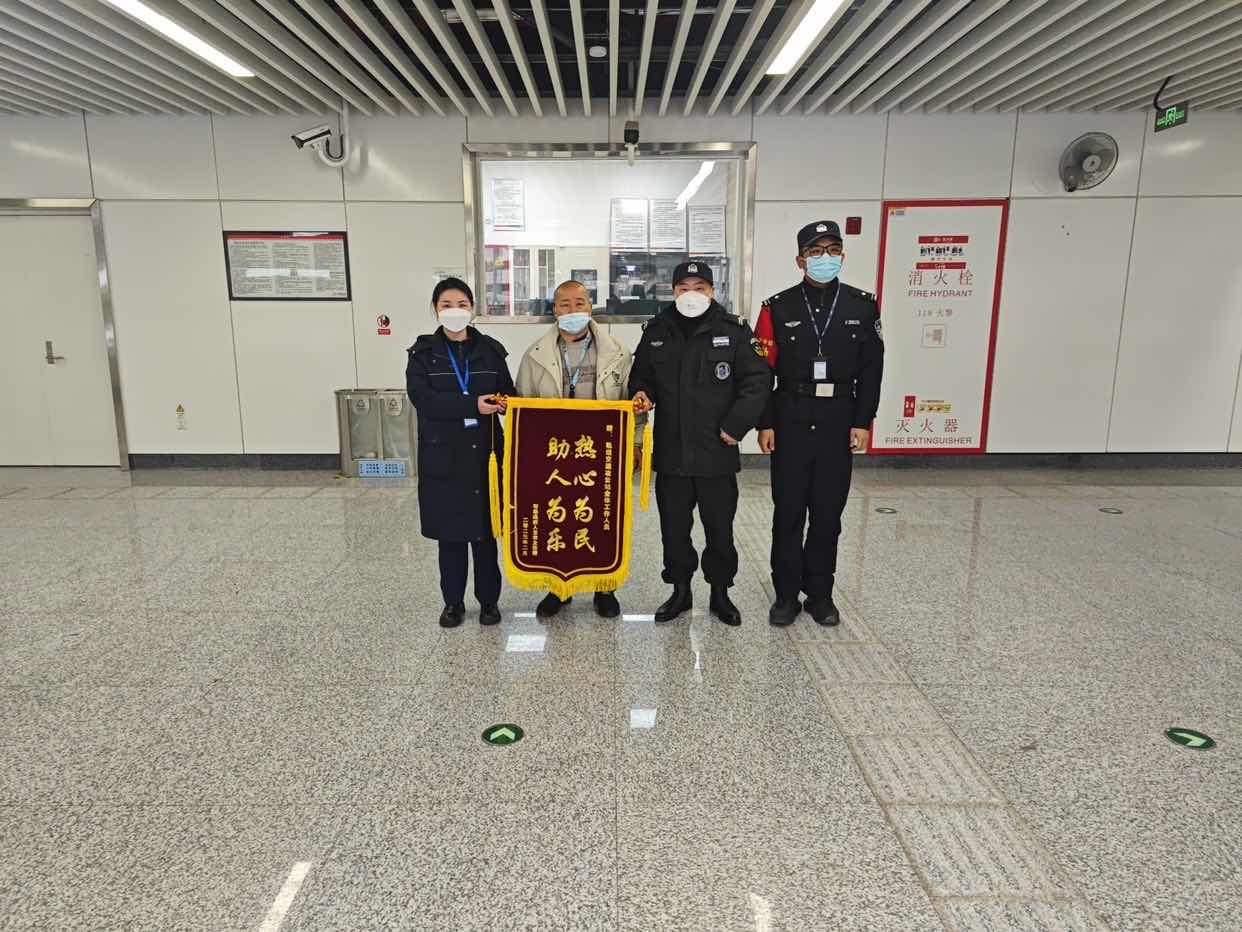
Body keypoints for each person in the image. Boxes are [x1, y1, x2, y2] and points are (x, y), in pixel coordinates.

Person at [753, 221, 884, 627]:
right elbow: (761, 372)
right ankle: (786, 595)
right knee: (788, 513)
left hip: (838, 420)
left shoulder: (863, 306)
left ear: (842, 256)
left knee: (828, 514)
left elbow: (872, 370)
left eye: (832, 250)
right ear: (800, 260)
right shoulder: (777, 308)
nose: (824, 258)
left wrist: (863, 421)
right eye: (815, 251)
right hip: (790, 418)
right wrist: (765, 423)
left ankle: (820, 595)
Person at [628, 261, 770, 626]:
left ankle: (720, 593)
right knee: (674, 531)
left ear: (712, 291)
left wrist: (736, 426)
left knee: (719, 530)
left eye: (700, 287)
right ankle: (680, 591)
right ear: (673, 292)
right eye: (684, 288)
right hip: (672, 454)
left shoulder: (734, 330)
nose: (692, 294)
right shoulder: (657, 331)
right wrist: (641, 392)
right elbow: (641, 375)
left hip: (716, 453)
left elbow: (757, 382)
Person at [515, 279, 636, 620]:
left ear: (590, 307)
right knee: (558, 518)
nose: (572, 310)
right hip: (553, 455)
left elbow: (631, 404)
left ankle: (604, 587)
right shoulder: (535, 355)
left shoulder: (618, 352)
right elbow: (522, 404)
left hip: (601, 453)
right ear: (554, 310)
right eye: (564, 304)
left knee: (602, 518)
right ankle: (559, 588)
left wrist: (637, 444)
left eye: (579, 303)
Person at [406, 277, 515, 628]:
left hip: (486, 456)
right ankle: (453, 602)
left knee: (485, 536)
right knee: (450, 537)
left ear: (472, 308)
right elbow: (424, 400)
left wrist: (504, 402)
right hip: (444, 457)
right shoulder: (422, 354)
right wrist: (471, 405)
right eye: (446, 305)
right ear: (435, 310)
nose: (455, 311)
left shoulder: (491, 351)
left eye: (462, 305)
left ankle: (489, 601)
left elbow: (508, 391)